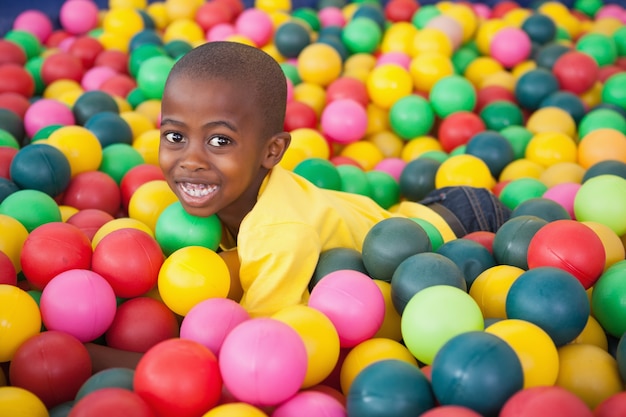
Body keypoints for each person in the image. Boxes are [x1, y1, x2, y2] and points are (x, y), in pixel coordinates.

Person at [87, 40, 510, 370]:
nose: (191, 160)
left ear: (272, 151)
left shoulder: (278, 235)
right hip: (410, 214)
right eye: (175, 136)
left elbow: (250, 357)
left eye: (220, 141)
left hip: (462, 227)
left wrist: (90, 359)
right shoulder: (207, 201)